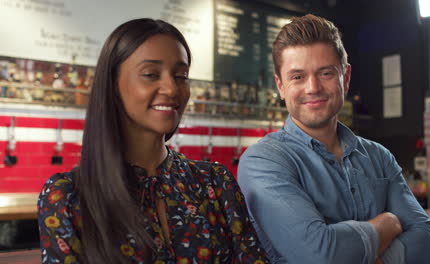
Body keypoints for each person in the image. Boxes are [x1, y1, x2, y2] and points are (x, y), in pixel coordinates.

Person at [37, 18, 269, 264]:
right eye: (150, 74)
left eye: (181, 75)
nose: (171, 88)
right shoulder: (67, 197)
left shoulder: (215, 183)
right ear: (113, 84)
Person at [238, 14, 430, 264]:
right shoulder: (263, 162)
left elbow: (428, 243)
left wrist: (379, 260)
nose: (313, 87)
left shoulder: (379, 157)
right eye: (297, 76)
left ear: (345, 78)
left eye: (325, 73)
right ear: (280, 86)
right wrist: (387, 224)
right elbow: (321, 255)